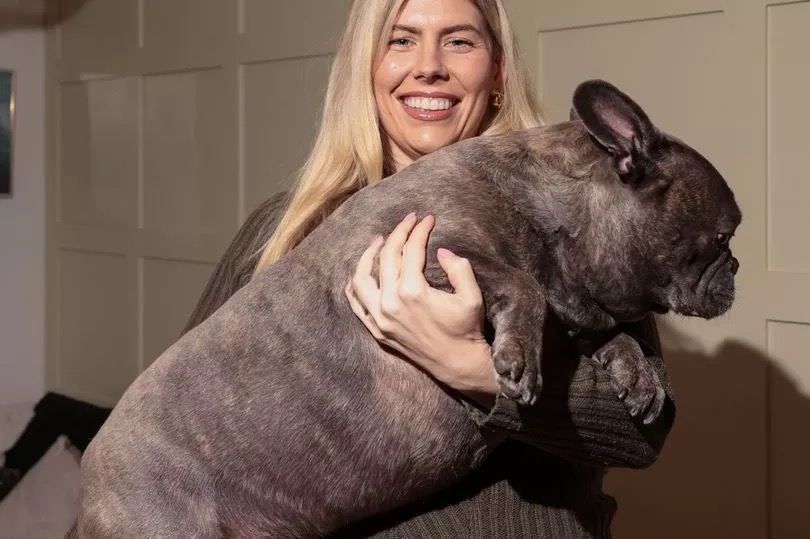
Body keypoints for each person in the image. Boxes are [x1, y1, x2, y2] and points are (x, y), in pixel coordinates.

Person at [182, 0, 676, 537]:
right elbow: (176, 425)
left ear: (498, 72)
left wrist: (473, 370)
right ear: (365, 70)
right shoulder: (287, 230)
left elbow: (641, 433)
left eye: (460, 41)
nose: (428, 65)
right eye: (400, 40)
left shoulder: (576, 226)